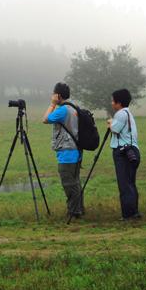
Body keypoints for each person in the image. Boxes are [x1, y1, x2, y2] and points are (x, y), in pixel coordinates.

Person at [42, 82, 83, 219]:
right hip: (76, 151)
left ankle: (74, 213)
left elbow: (45, 119)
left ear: (58, 95)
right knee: (75, 183)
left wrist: (52, 104)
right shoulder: (74, 107)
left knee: (69, 185)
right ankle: (79, 210)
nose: (52, 96)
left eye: (54, 94)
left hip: (67, 152)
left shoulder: (63, 110)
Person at [106, 88, 141, 220]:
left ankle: (128, 214)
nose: (111, 103)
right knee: (130, 183)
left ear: (119, 102)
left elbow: (115, 129)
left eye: (113, 101)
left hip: (123, 152)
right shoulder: (128, 113)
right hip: (132, 151)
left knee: (124, 184)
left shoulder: (120, 114)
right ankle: (134, 212)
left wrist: (110, 122)